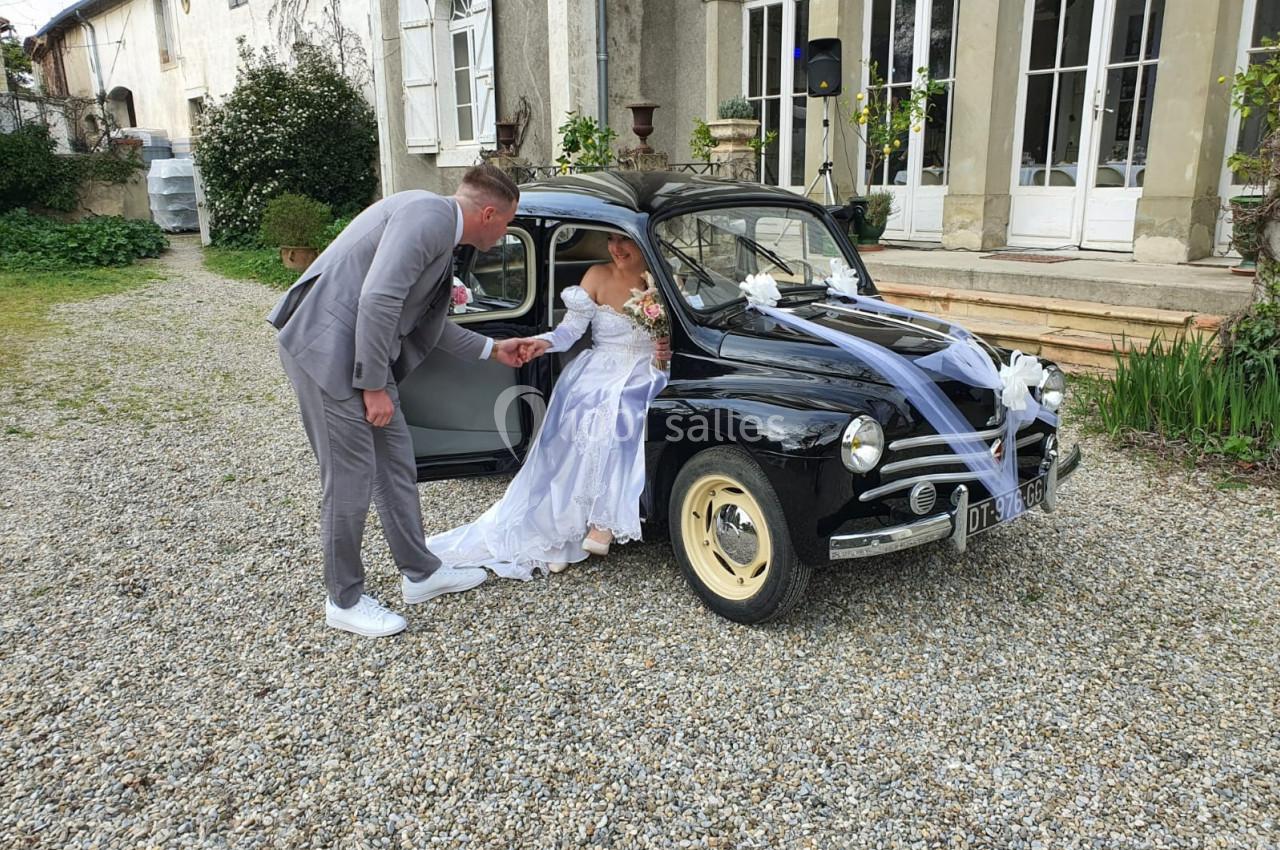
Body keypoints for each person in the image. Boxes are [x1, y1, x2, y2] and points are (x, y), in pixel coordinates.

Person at [268, 164, 537, 638]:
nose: (507, 231)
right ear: (490, 214)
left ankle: (421, 572)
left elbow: (420, 322)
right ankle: (344, 599)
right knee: (349, 478)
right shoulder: (429, 217)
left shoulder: (438, 223)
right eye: (508, 222)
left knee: (395, 464)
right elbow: (378, 301)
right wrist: (373, 386)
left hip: (361, 357)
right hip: (327, 351)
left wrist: (492, 349)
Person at [425, 233, 671, 578]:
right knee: (588, 412)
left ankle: (604, 520)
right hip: (601, 368)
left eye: (624, 241)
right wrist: (543, 343)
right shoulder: (597, 276)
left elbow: (675, 333)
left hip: (648, 370)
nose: (615, 248)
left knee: (627, 409)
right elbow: (570, 331)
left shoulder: (666, 280)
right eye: (611, 239)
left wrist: (664, 349)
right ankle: (559, 533)